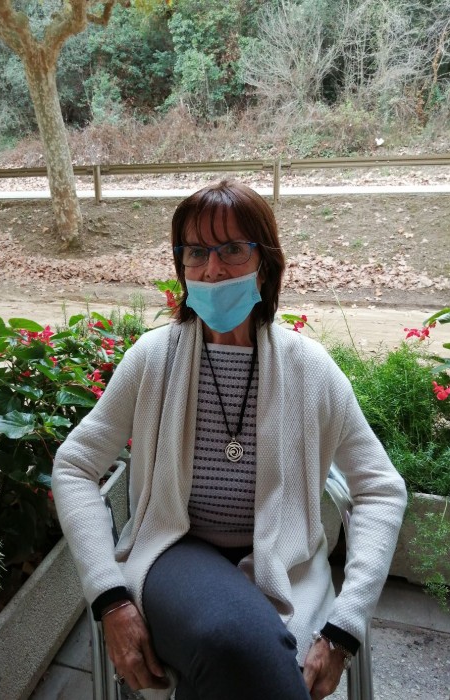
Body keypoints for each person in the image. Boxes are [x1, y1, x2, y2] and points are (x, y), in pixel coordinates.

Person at [52, 180, 407, 700]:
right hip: (175, 552)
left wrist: (345, 627)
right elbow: (74, 466)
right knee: (235, 642)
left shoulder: (311, 370)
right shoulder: (152, 359)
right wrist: (109, 596)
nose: (213, 270)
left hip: (286, 566)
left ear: (266, 263)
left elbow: (380, 489)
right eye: (196, 252)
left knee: (236, 669)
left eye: (233, 249)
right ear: (181, 267)